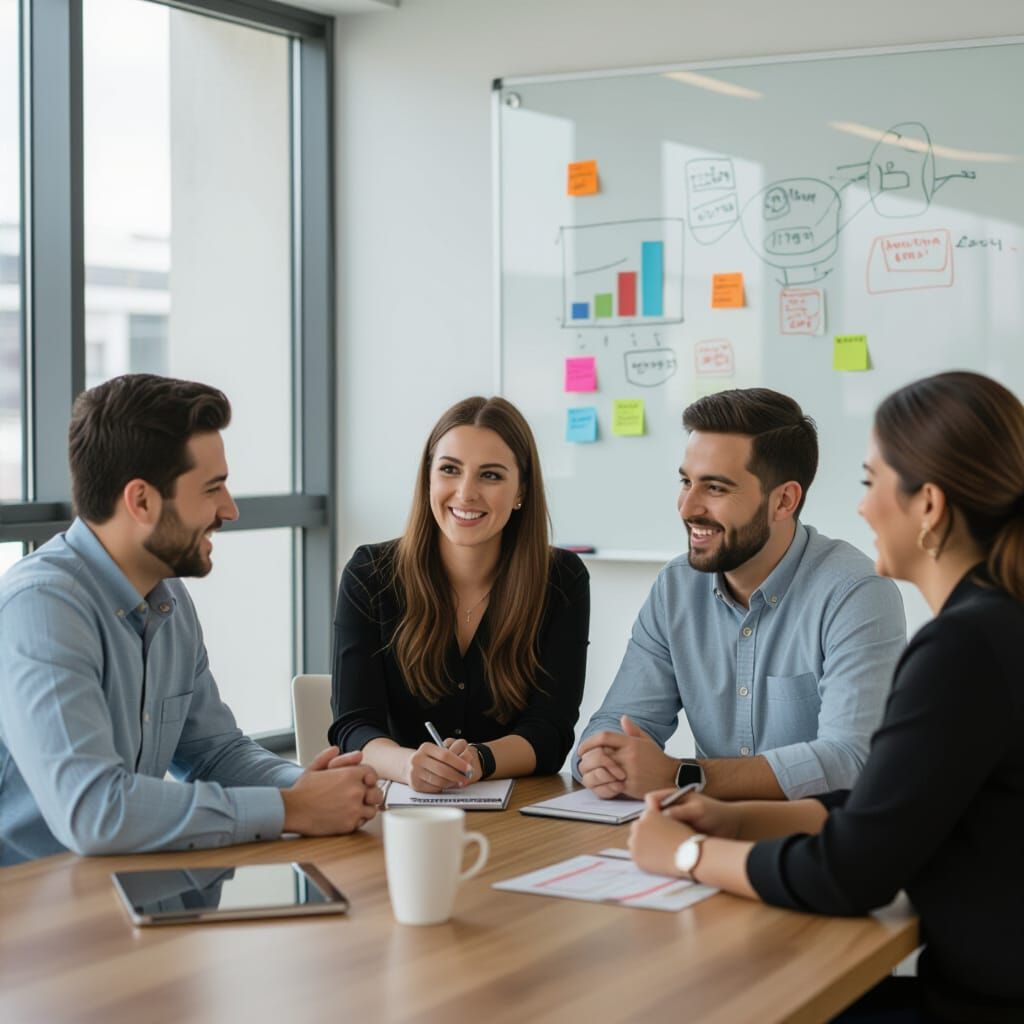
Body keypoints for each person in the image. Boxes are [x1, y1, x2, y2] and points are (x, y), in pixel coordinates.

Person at [629, 371, 1024, 1023]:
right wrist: (736, 818)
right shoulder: (993, 625)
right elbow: (888, 810)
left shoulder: (962, 650)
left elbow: (850, 874)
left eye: (871, 483)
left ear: (927, 506)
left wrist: (684, 854)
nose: (863, 506)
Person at [0, 375, 382, 866]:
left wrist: (309, 786)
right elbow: (93, 809)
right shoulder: (43, 608)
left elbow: (214, 754)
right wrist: (291, 808)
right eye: (212, 488)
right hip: (32, 912)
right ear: (140, 501)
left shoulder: (168, 598)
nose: (231, 509)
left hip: (128, 888)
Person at [575, 388, 906, 801]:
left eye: (715, 488)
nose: (687, 507)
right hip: (704, 835)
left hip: (814, 846)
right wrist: (602, 759)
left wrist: (684, 776)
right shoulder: (676, 588)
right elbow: (615, 723)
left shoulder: (856, 593)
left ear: (783, 500)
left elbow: (851, 761)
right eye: (686, 481)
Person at [329, 395, 589, 792]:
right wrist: (409, 765)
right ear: (428, 478)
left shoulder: (561, 580)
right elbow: (354, 724)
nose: (466, 493)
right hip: (399, 814)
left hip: (520, 818)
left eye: (491, 475)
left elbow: (550, 732)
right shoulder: (371, 574)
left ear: (521, 490)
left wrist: (480, 760)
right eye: (450, 470)